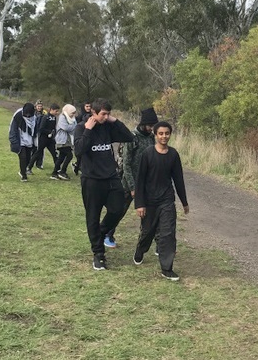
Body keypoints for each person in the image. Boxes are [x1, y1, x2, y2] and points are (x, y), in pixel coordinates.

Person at [73, 98, 134, 270]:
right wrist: (88, 131)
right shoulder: (81, 128)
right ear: (93, 112)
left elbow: (128, 137)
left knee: (117, 208)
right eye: (103, 114)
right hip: (91, 180)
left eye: (108, 114)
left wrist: (115, 121)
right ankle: (98, 254)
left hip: (111, 177)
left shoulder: (108, 126)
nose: (106, 117)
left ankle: (100, 233)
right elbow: (78, 150)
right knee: (92, 216)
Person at [133, 121, 189, 281]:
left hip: (166, 200)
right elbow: (140, 180)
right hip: (149, 201)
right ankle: (140, 249)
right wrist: (139, 203)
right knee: (147, 231)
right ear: (155, 135)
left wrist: (184, 202)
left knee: (168, 233)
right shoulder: (147, 154)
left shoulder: (173, 155)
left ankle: (167, 268)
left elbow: (178, 179)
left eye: (167, 133)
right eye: (161, 133)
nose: (164, 136)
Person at [105, 107, 158, 248]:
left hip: (147, 183)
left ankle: (153, 242)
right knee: (119, 210)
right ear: (143, 124)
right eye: (150, 125)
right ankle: (107, 234)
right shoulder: (131, 137)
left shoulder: (152, 138)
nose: (152, 128)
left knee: (150, 213)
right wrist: (133, 187)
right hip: (129, 182)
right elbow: (126, 164)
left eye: (154, 126)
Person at [9, 102, 37, 182]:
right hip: (20, 140)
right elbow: (13, 130)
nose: (28, 116)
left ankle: (22, 171)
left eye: (29, 115)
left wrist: (35, 142)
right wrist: (14, 142)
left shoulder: (34, 118)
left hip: (29, 141)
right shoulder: (17, 116)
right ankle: (24, 175)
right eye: (26, 114)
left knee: (28, 158)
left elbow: (35, 130)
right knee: (23, 157)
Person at [29, 103, 59, 171]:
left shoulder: (54, 117)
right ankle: (29, 167)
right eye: (56, 111)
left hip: (50, 139)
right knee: (38, 152)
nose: (57, 113)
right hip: (43, 138)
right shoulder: (45, 117)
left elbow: (53, 127)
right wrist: (49, 132)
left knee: (54, 153)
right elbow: (41, 129)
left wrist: (53, 134)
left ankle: (57, 169)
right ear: (51, 110)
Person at [51, 104, 77, 180]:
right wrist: (73, 127)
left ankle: (54, 173)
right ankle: (62, 171)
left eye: (74, 113)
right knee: (69, 155)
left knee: (61, 157)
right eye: (72, 113)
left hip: (68, 140)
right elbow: (66, 127)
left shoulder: (72, 118)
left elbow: (75, 126)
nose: (73, 115)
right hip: (62, 140)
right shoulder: (62, 117)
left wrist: (73, 127)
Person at [73, 101, 92, 175]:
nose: (88, 108)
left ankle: (80, 167)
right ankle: (77, 168)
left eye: (89, 106)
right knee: (79, 154)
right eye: (87, 106)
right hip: (80, 135)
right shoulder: (80, 116)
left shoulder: (91, 115)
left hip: (88, 135)